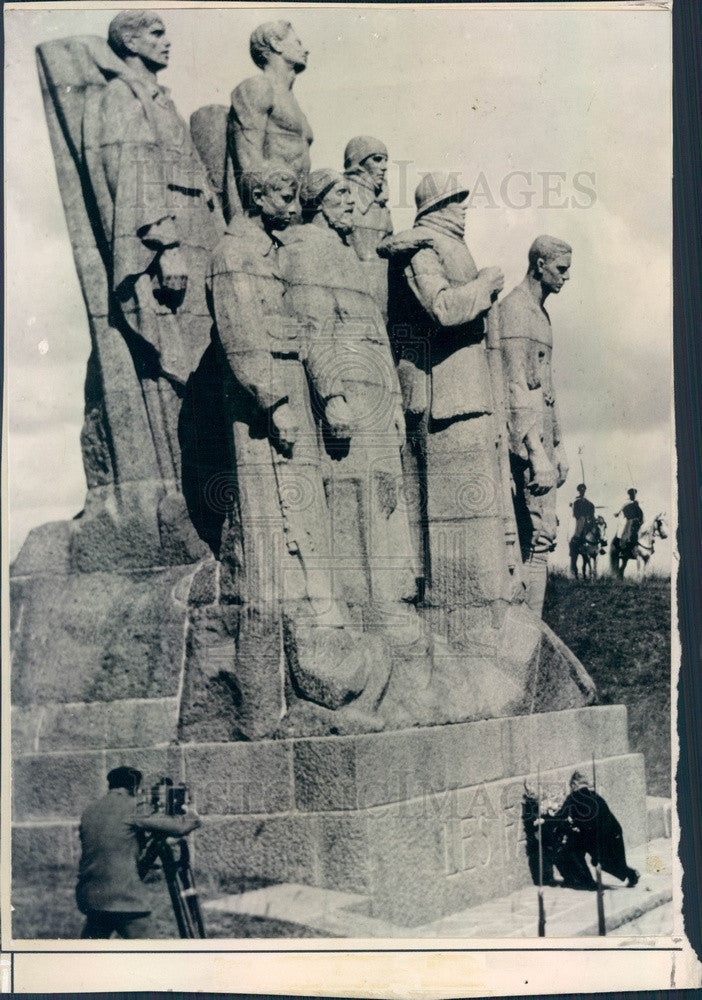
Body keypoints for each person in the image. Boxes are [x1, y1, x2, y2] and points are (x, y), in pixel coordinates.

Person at [281, 169, 418, 639]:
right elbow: (311, 328)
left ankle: (391, 600)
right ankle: (365, 606)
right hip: (348, 399)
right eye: (340, 195)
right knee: (352, 500)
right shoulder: (302, 249)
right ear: (317, 201)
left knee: (384, 497)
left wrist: (396, 401)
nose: (350, 205)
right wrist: (332, 395)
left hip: (377, 397)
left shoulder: (345, 254)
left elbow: (378, 336)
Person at [499, 236, 572, 614]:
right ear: (539, 264)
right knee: (535, 539)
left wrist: (557, 444)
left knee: (543, 537)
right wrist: (537, 451)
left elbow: (546, 385)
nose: (567, 277)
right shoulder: (514, 311)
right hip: (525, 447)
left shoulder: (540, 313)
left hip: (541, 443)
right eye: (561, 269)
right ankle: (525, 640)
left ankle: (530, 638)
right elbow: (514, 385)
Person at [76, 766, 201, 939]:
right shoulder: (134, 807)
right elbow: (181, 827)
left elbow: (119, 842)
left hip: (91, 897)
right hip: (124, 899)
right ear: (134, 787)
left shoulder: (90, 810)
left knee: (86, 956)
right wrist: (191, 811)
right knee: (149, 955)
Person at [225, 20, 312, 219]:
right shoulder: (259, 87)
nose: (306, 50)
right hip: (269, 212)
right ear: (275, 43)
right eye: (298, 43)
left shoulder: (296, 106)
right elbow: (249, 162)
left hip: (297, 209)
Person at [544, 770, 639, 890]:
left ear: (573, 785)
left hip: (593, 835)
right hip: (611, 832)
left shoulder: (573, 797)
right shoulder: (595, 795)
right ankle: (631, 874)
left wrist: (545, 817)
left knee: (573, 851)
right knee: (606, 861)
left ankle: (589, 882)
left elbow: (561, 816)